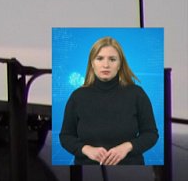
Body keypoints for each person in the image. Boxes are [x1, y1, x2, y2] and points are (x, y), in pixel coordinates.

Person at [58, 36, 159, 165]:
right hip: (87, 170)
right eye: (99, 58)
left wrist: (127, 147)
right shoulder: (77, 96)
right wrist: (86, 149)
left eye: (112, 59)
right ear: (92, 63)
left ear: (120, 64)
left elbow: (151, 134)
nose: (106, 65)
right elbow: (65, 137)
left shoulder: (137, 94)